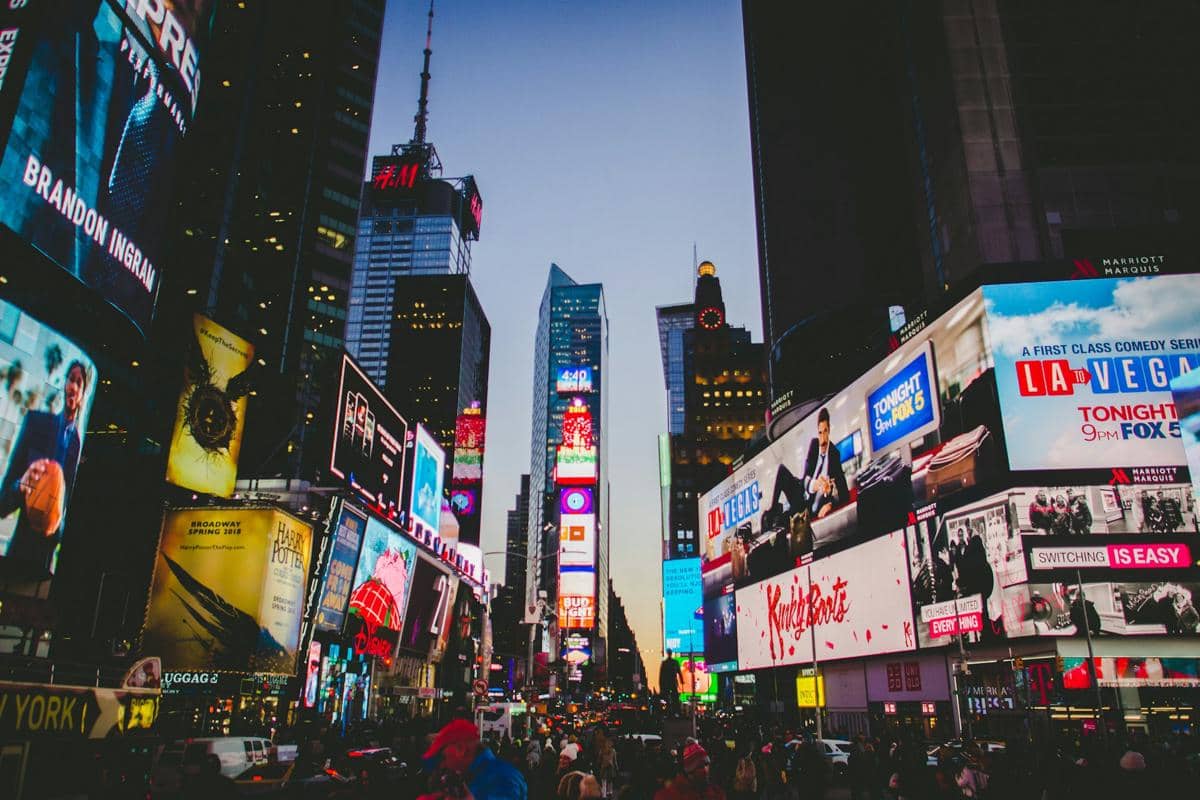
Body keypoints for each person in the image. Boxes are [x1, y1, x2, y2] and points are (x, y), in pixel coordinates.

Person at [0, 359, 88, 573]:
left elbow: (68, 516)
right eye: (71, 379)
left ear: (83, 395)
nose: (74, 386)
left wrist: (56, 525)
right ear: (64, 384)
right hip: (18, 553)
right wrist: (22, 485)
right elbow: (2, 503)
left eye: (79, 383)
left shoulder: (78, 446)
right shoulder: (36, 423)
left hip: (45, 564)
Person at [765, 407, 849, 525]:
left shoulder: (834, 454)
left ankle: (780, 517)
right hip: (801, 493)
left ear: (829, 429)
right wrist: (814, 484)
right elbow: (806, 478)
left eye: (825, 431)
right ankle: (773, 509)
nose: (823, 439)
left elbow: (845, 494)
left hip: (810, 506)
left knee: (783, 521)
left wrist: (830, 504)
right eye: (820, 432)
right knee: (782, 470)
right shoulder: (814, 445)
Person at [424, 718, 528, 800]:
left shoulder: (502, 777)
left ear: (461, 749)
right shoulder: (472, 775)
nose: (442, 765)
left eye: (443, 757)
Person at [654, 743, 726, 800]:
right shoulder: (667, 796)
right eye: (700, 766)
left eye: (707, 764)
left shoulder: (717, 793)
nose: (705, 770)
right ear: (689, 770)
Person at [659, 650, 683, 717]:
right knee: (673, 697)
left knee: (672, 697)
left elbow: (661, 675)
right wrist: (682, 681)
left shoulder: (666, 663)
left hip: (669, 683)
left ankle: (672, 711)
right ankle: (674, 711)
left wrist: (661, 685)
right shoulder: (674, 662)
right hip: (670, 683)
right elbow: (679, 672)